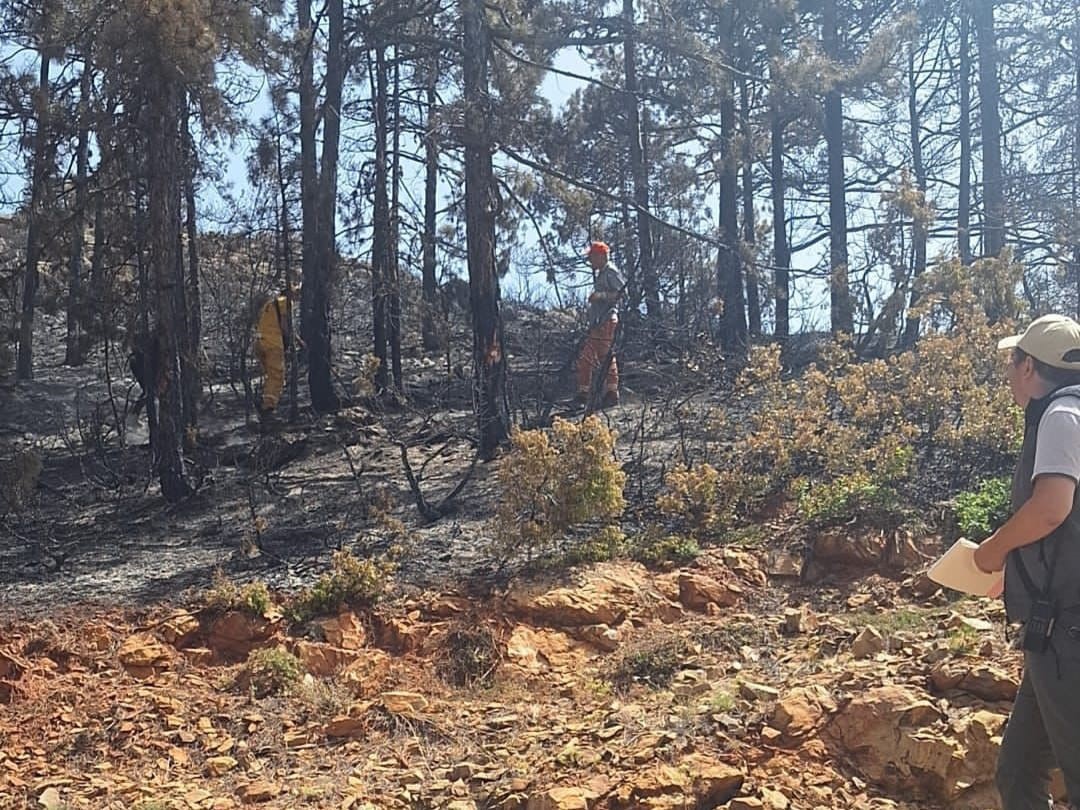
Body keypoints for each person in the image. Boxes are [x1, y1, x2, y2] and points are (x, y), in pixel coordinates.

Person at [974, 313, 1080, 810]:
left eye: (1012, 362)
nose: (1009, 374)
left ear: (1029, 367)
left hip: (1068, 632)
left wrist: (995, 550)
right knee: (1018, 770)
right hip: (1055, 628)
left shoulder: (1062, 415)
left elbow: (1050, 508)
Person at [576, 241, 624, 408]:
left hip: (607, 320)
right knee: (594, 357)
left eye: (592, 257)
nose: (590, 261)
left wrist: (599, 296)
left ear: (601, 256)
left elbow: (620, 293)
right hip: (599, 322)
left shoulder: (610, 271)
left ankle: (606, 394)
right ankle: (595, 393)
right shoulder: (603, 273)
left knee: (600, 357)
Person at [253, 283, 300, 420]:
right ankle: (268, 407)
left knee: (269, 375)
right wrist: (290, 340)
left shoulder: (270, 304)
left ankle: (263, 400)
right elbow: (285, 325)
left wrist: (298, 340)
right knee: (277, 376)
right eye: (296, 294)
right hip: (273, 343)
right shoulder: (285, 302)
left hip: (261, 342)